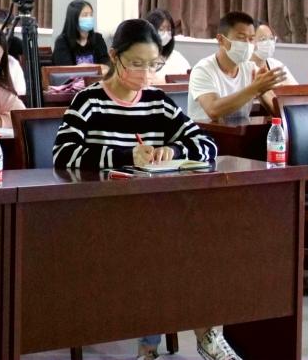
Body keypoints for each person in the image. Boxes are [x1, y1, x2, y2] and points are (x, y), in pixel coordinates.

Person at [51, 19, 235, 360]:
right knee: (161, 248)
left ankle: (202, 335)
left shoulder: (157, 102)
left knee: (201, 244)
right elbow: (63, 155)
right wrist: (125, 156)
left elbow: (206, 145)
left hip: (153, 213)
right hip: (101, 216)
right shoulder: (88, 102)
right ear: (114, 57)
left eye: (153, 64)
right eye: (136, 63)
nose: (145, 73)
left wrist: (173, 150)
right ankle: (160, 346)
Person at [187, 12, 287, 123]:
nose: (247, 44)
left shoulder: (250, 68)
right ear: (221, 40)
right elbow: (213, 110)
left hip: (240, 132)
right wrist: (254, 89)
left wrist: (263, 90)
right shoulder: (202, 69)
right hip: (206, 132)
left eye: (251, 39)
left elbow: (278, 112)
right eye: (241, 38)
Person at [52, 0, 110, 69]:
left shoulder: (98, 38)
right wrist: (96, 68)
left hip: (99, 76)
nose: (89, 18)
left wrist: (86, 67)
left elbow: (107, 65)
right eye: (85, 15)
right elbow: (66, 70)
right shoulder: (62, 42)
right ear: (74, 18)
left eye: (91, 15)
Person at [145, 8, 190, 83]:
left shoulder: (177, 57)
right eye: (161, 29)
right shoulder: (139, 55)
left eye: (169, 30)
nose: (166, 34)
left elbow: (186, 80)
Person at [251, 20, 297, 85]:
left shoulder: (277, 65)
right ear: (251, 41)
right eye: (263, 39)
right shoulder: (243, 68)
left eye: (271, 38)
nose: (269, 43)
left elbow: (295, 87)